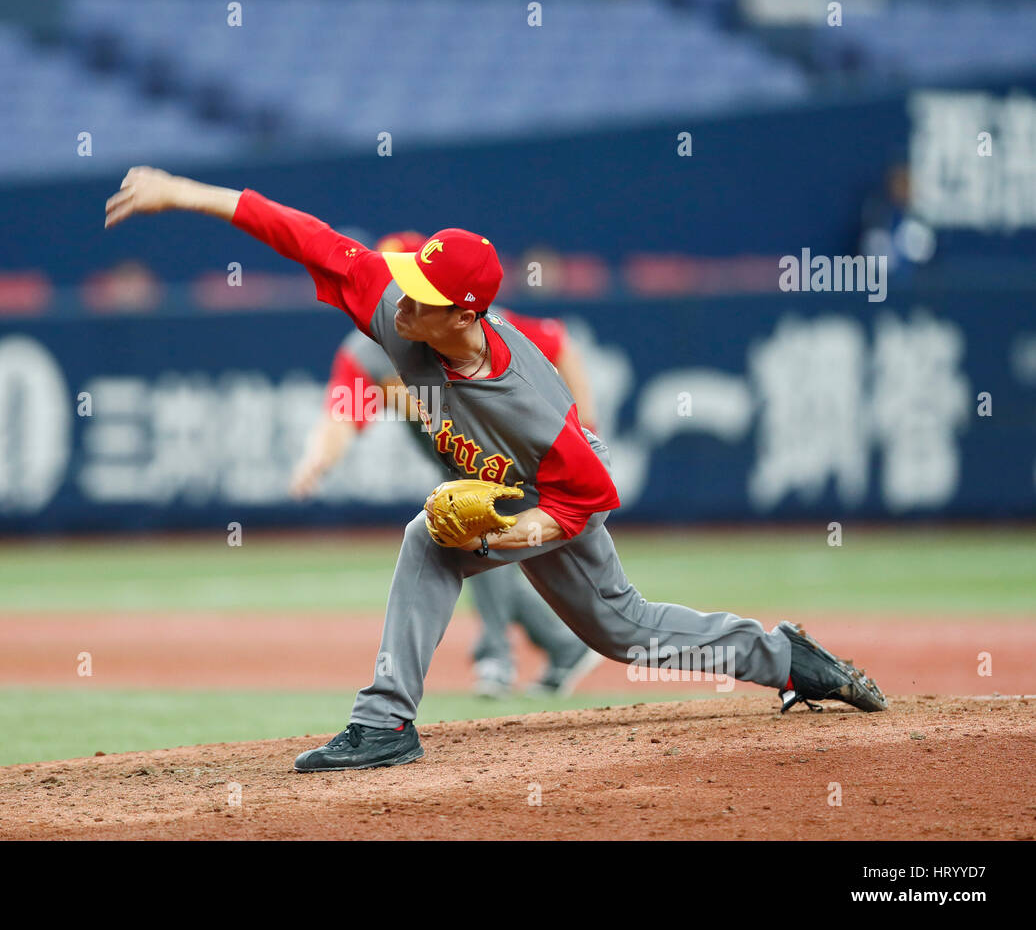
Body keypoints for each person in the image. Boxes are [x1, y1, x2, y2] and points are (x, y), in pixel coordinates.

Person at [105, 168, 889, 772]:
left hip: (559, 493)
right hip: (512, 484)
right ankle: (787, 656)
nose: (401, 305)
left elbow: (595, 494)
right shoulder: (398, 309)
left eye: (424, 299)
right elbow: (300, 233)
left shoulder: (529, 402)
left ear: (469, 316)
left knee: (435, 541)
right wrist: (183, 192)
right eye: (408, 284)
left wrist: (520, 526)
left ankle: (383, 724)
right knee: (625, 631)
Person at [291, 234, 602, 697]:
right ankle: (561, 645)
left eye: (412, 284)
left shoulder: (476, 325)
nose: (399, 295)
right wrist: (318, 455)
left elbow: (561, 344)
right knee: (466, 535)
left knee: (473, 534)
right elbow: (341, 413)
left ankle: (496, 656)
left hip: (513, 451)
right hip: (463, 462)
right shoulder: (368, 344)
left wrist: (585, 429)